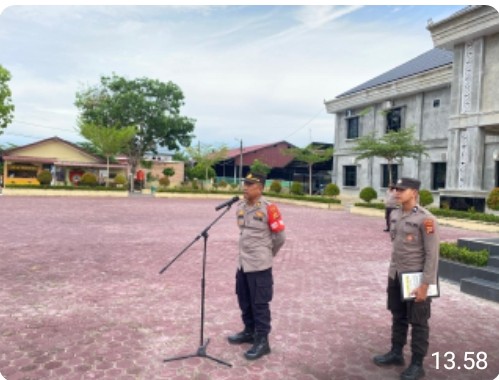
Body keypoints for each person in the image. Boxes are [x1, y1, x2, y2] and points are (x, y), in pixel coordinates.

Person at [373, 177, 439, 380]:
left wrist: (425, 285)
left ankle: (417, 364)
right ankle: (396, 353)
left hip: (416, 277)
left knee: (419, 322)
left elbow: (432, 255)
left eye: (402, 189)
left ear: (414, 192)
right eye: (395, 189)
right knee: (397, 315)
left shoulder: (426, 219)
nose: (396, 192)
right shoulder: (394, 214)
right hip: (396, 274)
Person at [227, 173, 286, 360]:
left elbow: (280, 237)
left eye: (250, 184)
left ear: (260, 188)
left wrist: (267, 254)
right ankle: (249, 331)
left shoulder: (270, 209)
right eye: (245, 183)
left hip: (260, 265)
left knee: (260, 304)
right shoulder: (241, 207)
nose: (245, 187)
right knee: (244, 300)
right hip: (243, 263)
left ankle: (262, 342)